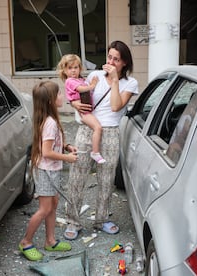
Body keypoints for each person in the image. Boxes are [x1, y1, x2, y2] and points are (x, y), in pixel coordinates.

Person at [63, 41, 139, 240]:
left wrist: (114, 81)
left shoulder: (130, 83)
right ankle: (73, 220)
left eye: (116, 59)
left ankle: (102, 219)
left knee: (106, 179)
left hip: (111, 132)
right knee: (77, 177)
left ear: (124, 63)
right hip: (87, 129)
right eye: (109, 57)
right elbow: (78, 97)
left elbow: (116, 106)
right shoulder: (94, 76)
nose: (111, 61)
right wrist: (77, 105)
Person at [19, 81, 78, 261]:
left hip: (49, 169)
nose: (62, 96)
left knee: (52, 204)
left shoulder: (48, 119)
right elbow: (47, 152)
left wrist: (66, 146)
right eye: (59, 94)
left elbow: (49, 144)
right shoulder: (50, 122)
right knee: (44, 209)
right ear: (51, 101)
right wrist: (67, 158)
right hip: (46, 170)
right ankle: (25, 242)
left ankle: (50, 241)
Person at [57, 54, 106, 164]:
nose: (73, 71)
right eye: (70, 68)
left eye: (76, 67)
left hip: (87, 109)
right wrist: (92, 85)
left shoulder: (79, 79)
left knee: (96, 128)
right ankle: (95, 152)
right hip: (83, 112)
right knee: (98, 127)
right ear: (64, 70)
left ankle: (95, 150)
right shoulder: (70, 81)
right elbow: (81, 89)